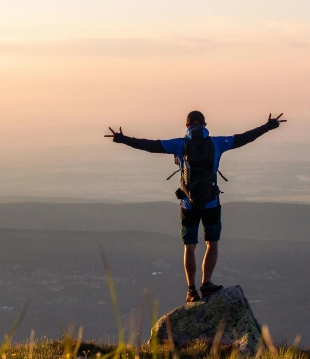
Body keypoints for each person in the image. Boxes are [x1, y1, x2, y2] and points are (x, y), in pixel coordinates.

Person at [105, 109, 285, 305]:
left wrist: (122, 139)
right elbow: (245, 138)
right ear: (205, 125)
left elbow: (150, 146)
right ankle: (206, 285)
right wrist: (269, 126)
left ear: (187, 126)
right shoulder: (217, 143)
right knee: (212, 244)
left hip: (188, 205)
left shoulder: (179, 144)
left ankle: (191, 290)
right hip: (211, 203)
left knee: (190, 247)